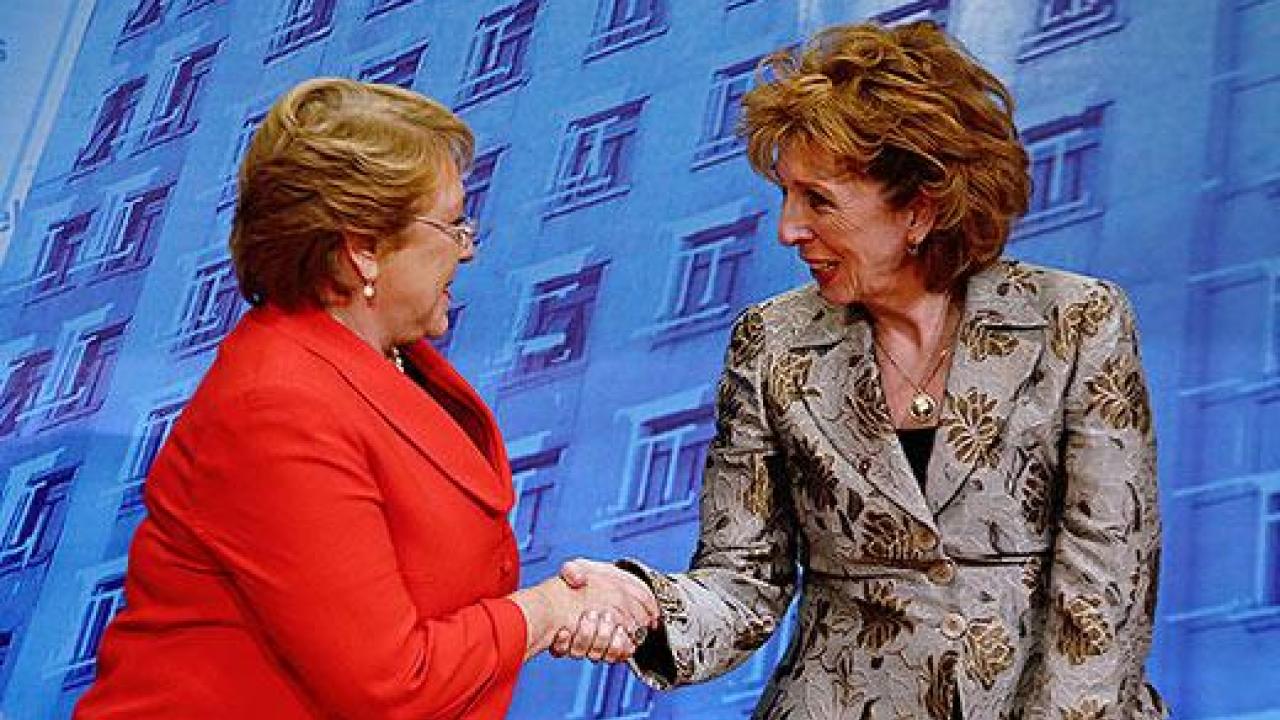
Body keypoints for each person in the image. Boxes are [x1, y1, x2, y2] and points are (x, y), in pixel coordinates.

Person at [556, 20, 1167, 719]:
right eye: (786, 195)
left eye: (817, 199)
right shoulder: (770, 341)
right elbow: (744, 579)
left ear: (919, 208)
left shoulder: (1080, 322)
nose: (787, 228)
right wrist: (645, 605)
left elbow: (1108, 583)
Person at [74, 78, 657, 720]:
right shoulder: (277, 406)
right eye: (454, 224)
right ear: (363, 251)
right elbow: (388, 683)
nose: (468, 249)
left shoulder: (382, 362)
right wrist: (550, 611)